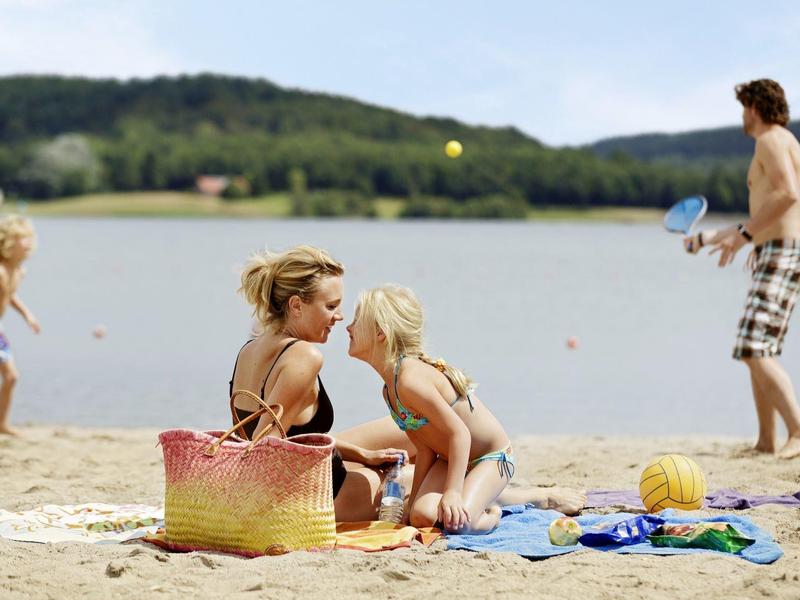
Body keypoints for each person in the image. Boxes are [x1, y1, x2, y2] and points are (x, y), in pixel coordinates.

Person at [346, 284, 585, 534]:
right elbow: (425, 448)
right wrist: (412, 504)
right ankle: (474, 496)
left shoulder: (410, 380)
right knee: (421, 517)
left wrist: (452, 493)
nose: (348, 328)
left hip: (489, 458)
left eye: (356, 321)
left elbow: (460, 433)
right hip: (450, 458)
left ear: (380, 333)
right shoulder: (390, 390)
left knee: (460, 524)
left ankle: (492, 512)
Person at [229, 245, 414, 521]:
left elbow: (285, 438)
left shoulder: (250, 349)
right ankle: (487, 485)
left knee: (406, 432)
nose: (339, 317)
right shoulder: (304, 356)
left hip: (302, 485)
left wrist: (363, 454)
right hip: (318, 499)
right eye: (330, 306)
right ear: (296, 305)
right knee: (425, 456)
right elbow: (265, 447)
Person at [685, 79, 800, 459]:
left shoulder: (770, 139)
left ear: (755, 106)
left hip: (782, 251)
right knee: (756, 345)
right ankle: (767, 441)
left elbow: (787, 195)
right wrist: (740, 238)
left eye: (743, 106)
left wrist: (748, 235)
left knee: (753, 346)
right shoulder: (782, 141)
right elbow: (779, 204)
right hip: (777, 249)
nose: (741, 114)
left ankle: (797, 433)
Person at [0, 215, 41, 436]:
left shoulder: (18, 271)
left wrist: (27, 315)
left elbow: (9, 295)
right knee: (10, 375)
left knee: (11, 377)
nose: (27, 243)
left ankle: (2, 423)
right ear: (7, 242)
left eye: (28, 238)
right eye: (20, 238)